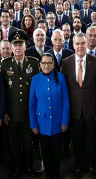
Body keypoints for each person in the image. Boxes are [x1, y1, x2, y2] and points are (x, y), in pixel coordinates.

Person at [61, 32, 96, 179]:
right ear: (73, 45)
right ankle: (78, 166)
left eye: (82, 43)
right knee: (77, 141)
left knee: (92, 140)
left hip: (92, 110)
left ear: (87, 44)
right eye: (77, 44)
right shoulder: (66, 62)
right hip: (74, 111)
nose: (80, 46)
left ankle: (92, 166)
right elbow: (64, 89)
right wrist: (65, 111)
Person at [1, 30, 40, 179]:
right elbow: (3, 91)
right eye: (15, 45)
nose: (17, 48)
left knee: (28, 143)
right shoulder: (5, 65)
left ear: (25, 46)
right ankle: (18, 168)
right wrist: (4, 112)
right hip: (12, 113)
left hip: (29, 113)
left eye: (20, 45)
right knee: (15, 143)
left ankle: (29, 167)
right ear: (11, 48)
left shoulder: (34, 63)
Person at [29, 53, 70, 179]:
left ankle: (56, 174)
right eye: (44, 63)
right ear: (40, 65)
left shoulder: (61, 78)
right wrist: (34, 124)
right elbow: (32, 104)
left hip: (58, 122)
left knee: (57, 151)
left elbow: (66, 102)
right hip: (42, 123)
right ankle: (49, 174)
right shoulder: (35, 79)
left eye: (49, 63)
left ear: (53, 64)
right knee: (46, 152)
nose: (46, 66)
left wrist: (64, 121)